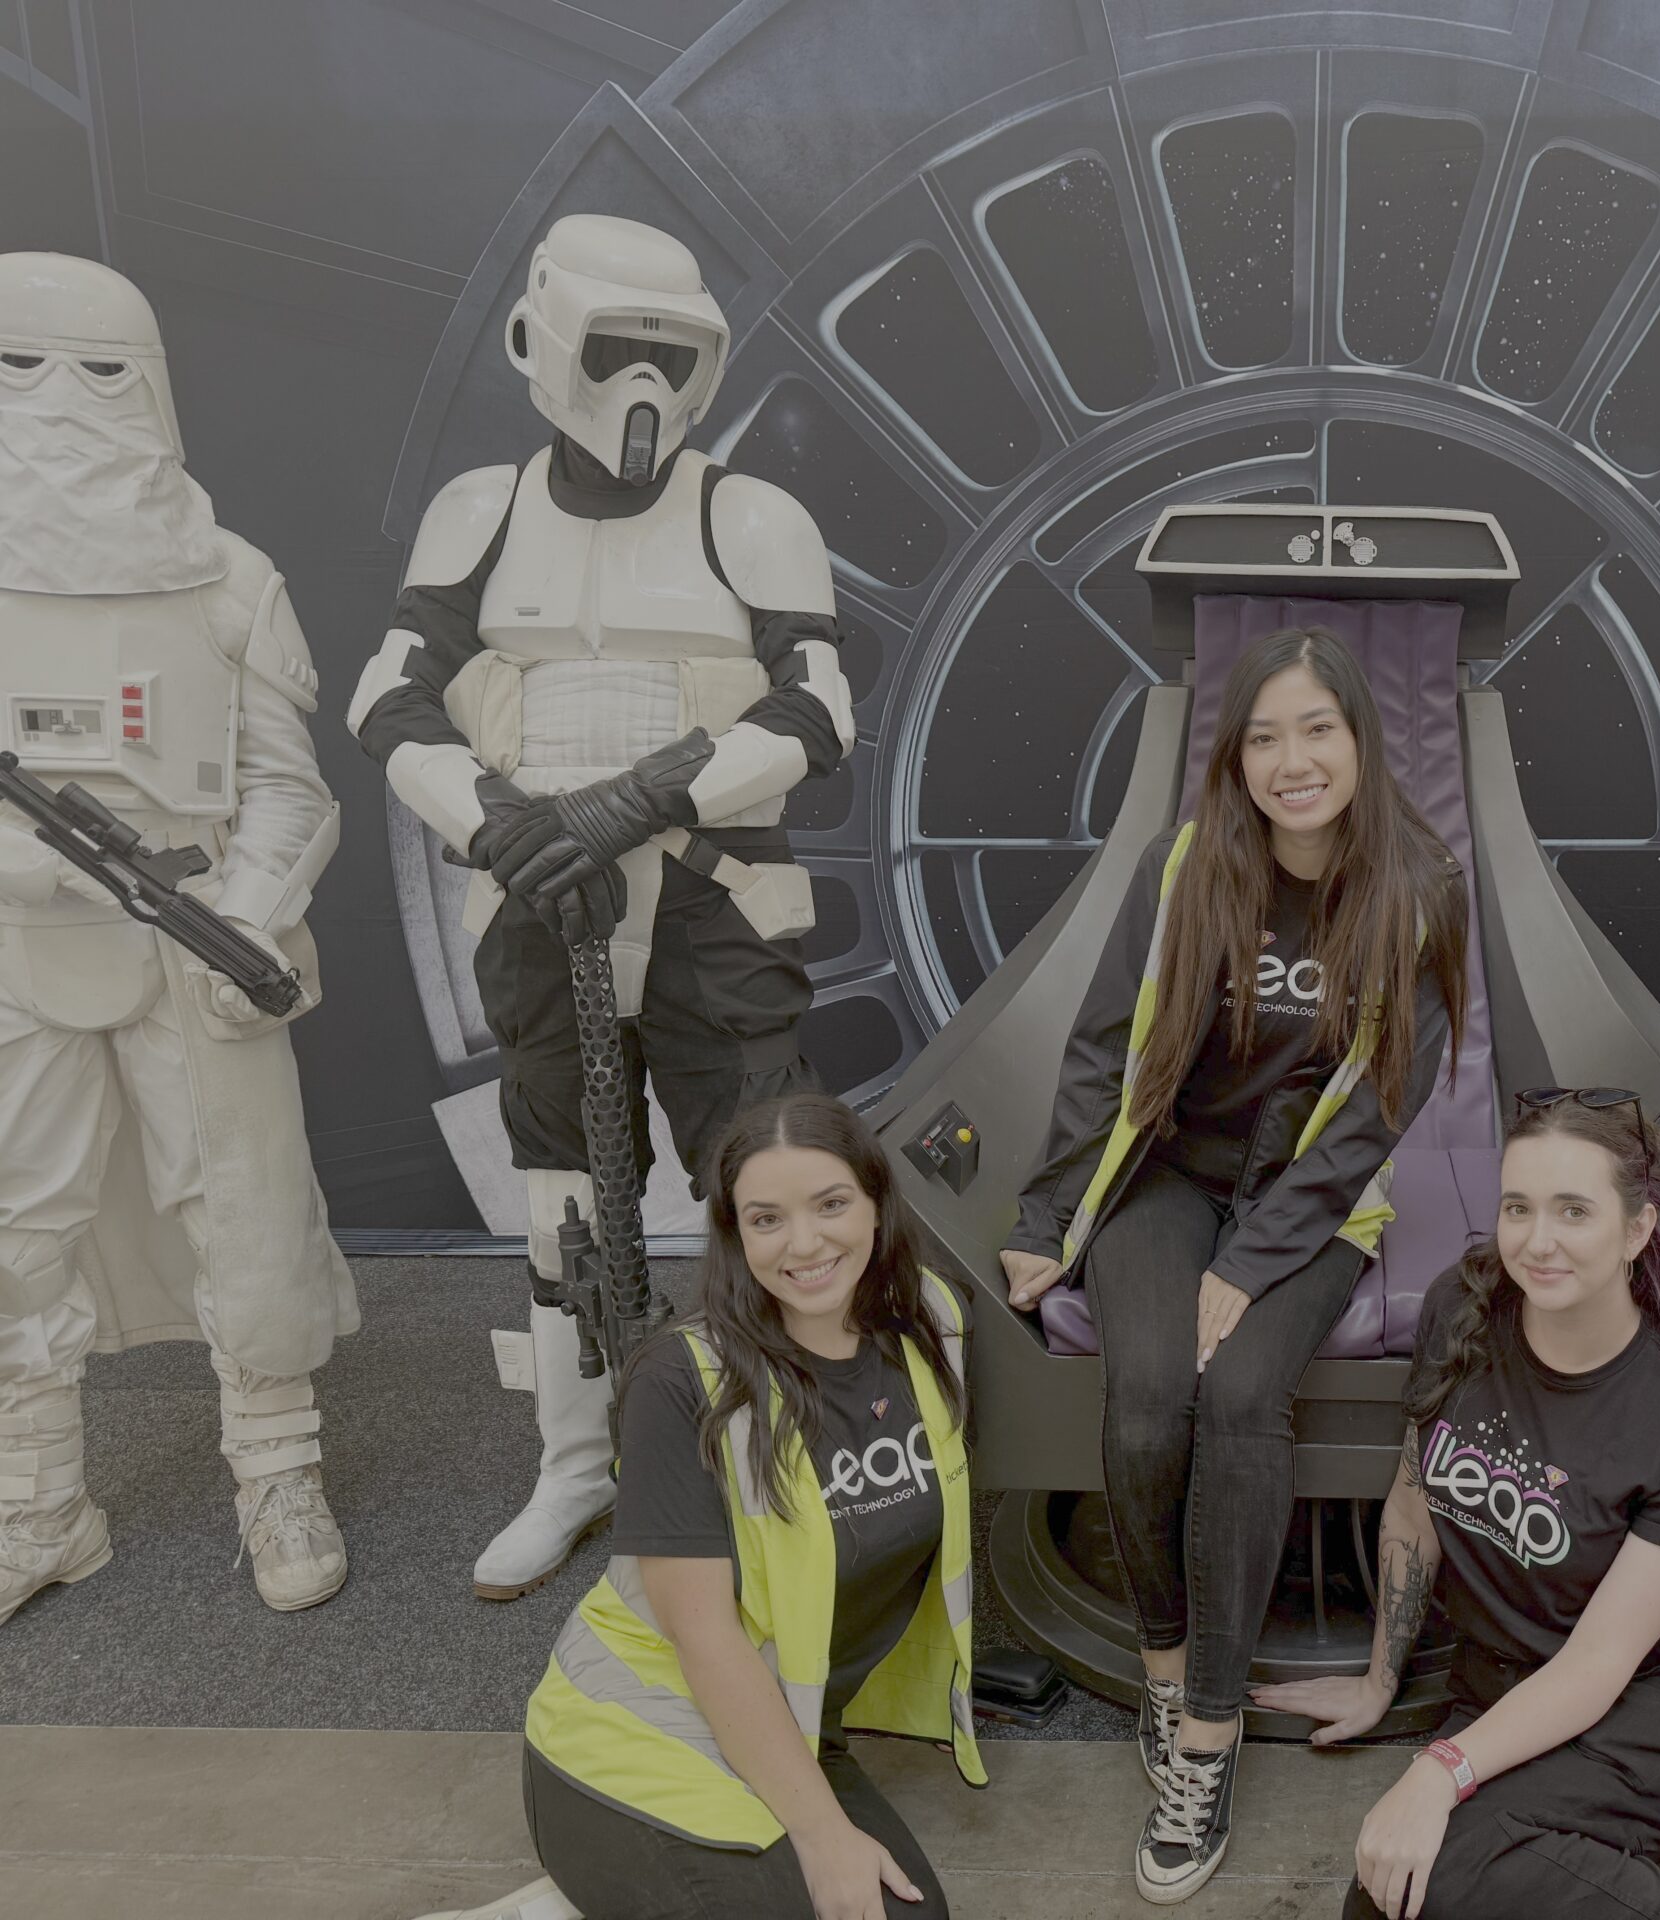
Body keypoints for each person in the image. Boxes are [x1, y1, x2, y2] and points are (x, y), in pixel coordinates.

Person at [347, 213, 855, 1602]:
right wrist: (501, 822)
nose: (643, 383)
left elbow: (818, 708)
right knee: (565, 1189)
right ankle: (578, 1464)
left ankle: (778, 1455)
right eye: (616, 347)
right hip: (534, 901)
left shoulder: (746, 516)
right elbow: (387, 692)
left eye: (669, 354)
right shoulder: (483, 514)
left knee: (764, 1180)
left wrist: (638, 802)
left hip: (711, 899)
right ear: (543, 344)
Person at [999, 624, 1466, 1904]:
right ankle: (1162, 1666)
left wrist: (1253, 1261)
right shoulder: (1188, 866)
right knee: (1149, 1396)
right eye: (1263, 735)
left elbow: (1382, 1103)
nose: (1290, 759)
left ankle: (1206, 1735)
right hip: (1166, 1179)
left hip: (1313, 1203)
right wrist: (1047, 1217)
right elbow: (1107, 1046)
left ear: (1361, 741)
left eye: (1317, 728)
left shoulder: (1418, 886)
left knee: (1243, 1392)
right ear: (1236, 755)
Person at [1251, 1092, 1660, 1920]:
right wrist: (1380, 1682)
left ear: (1637, 1230)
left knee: (1430, 1880)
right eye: (1518, 1207)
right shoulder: (1464, 1309)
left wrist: (1438, 1769)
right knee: (1388, 1900)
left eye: (1574, 1211)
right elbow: (1415, 1505)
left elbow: (1600, 1663)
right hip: (1506, 1694)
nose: (1538, 1240)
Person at [0, 252, 356, 1622]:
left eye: (97, 373)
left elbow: (289, 786)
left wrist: (243, 917)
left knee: (247, 1222)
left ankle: (278, 1471)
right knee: (15, 1235)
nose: (62, 405)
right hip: (19, 955)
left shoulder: (228, 578)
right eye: (24, 369)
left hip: (196, 939)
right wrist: (34, 880)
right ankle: (39, 1502)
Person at [428, 1091, 980, 1920]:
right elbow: (705, 1638)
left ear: (875, 1202)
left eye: (831, 1204)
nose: (805, 1244)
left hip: (786, 1727)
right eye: (766, 1219)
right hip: (633, 1738)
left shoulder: (932, 1323)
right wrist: (823, 1836)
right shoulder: (684, 1379)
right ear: (734, 1233)